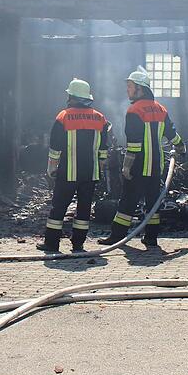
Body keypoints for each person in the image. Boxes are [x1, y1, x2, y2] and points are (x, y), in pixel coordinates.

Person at [98, 66, 186, 249]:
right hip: (156, 166)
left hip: (138, 165)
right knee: (152, 202)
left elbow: (134, 143)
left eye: (130, 86)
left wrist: (126, 167)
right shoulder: (161, 109)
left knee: (128, 202)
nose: (127, 90)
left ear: (141, 88)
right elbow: (172, 133)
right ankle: (151, 238)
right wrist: (181, 147)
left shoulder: (134, 111)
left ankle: (117, 237)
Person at [39, 78, 111, 252]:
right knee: (84, 209)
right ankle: (78, 244)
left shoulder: (63, 117)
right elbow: (103, 148)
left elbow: (55, 147)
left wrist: (51, 169)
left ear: (71, 96)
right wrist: (100, 167)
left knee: (59, 207)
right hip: (91, 173)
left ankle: (51, 244)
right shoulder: (100, 118)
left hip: (68, 172)